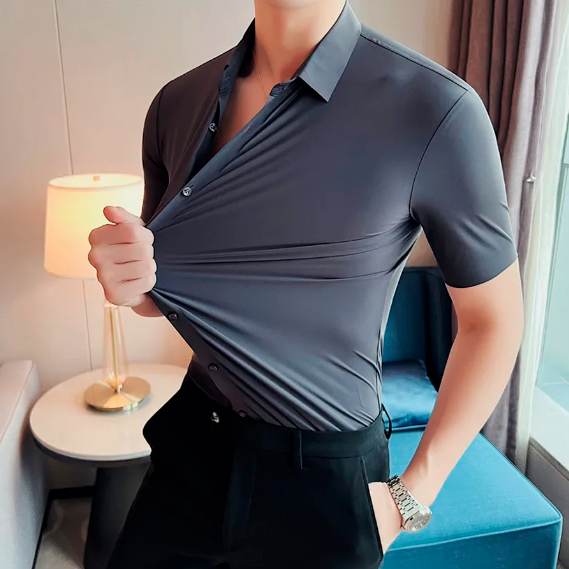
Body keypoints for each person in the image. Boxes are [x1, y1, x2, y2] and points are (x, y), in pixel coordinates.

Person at [88, 0, 524, 567]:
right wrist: (130, 280)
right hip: (195, 444)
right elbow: (159, 290)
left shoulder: (435, 109)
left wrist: (410, 497)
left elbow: (495, 322)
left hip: (325, 480)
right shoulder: (177, 103)